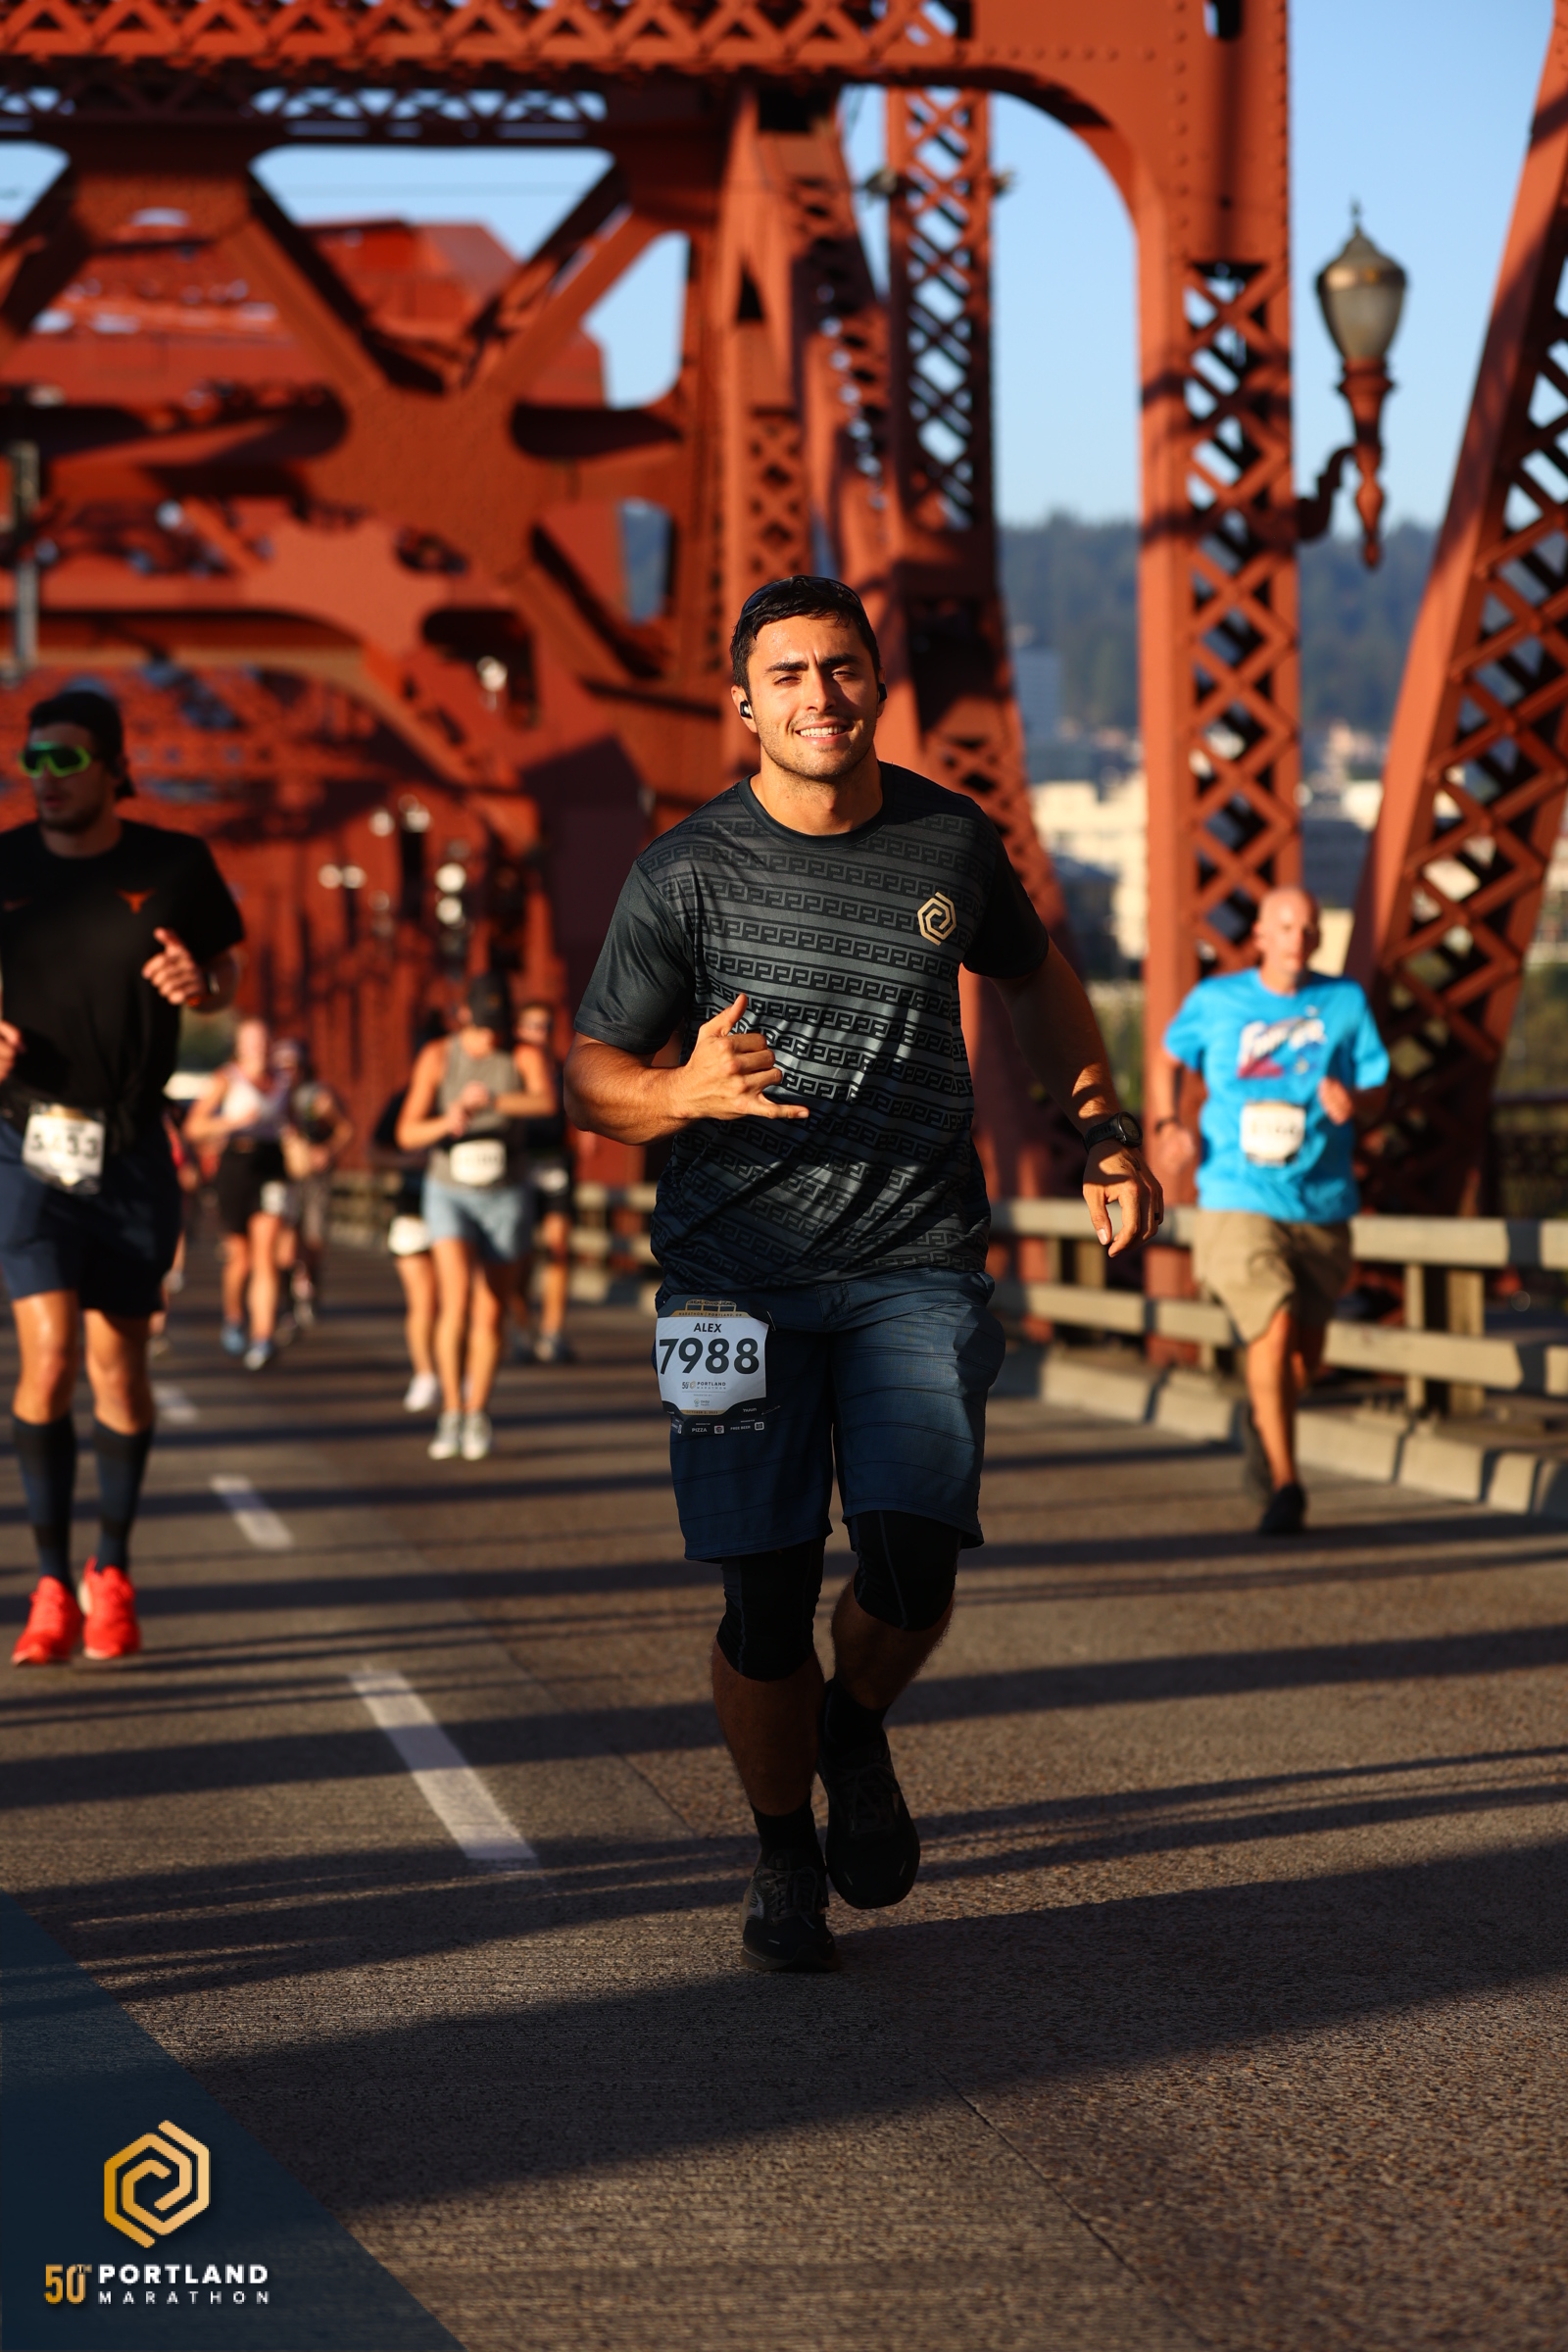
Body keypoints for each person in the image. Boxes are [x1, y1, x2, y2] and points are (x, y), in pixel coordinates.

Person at [565, 574, 1161, 1973]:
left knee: (911, 1557)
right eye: (787, 675)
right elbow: (590, 1076)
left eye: (840, 668)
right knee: (764, 1601)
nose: (818, 696)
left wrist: (1104, 1131)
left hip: (914, 1259)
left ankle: (853, 1725)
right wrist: (681, 1091)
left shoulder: (947, 840)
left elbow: (1037, 976)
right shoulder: (682, 874)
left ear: (877, 685)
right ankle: (782, 1851)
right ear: (743, 703)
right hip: (722, 1286)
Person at [2, 687, 242, 1667]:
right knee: (49, 1354)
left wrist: (202, 987)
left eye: (65, 760)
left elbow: (223, 975)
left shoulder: (173, 865)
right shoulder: (5, 864)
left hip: (134, 1146)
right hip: (26, 1138)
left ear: (111, 769)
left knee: (118, 1367)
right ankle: (49, 1585)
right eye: (34, 760)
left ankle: (113, 1569)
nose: (47, 778)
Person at [1149, 885, 1390, 1537]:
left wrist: (1355, 1102)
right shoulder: (1217, 1000)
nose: (1297, 938)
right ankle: (1287, 1484)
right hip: (1238, 1194)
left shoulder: (1344, 1002)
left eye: (1308, 927)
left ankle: (1265, 1416)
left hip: (1322, 1199)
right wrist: (1166, 1123)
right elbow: (1167, 1059)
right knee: (1274, 1324)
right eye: (1284, 926)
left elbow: (1378, 1087)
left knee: (1304, 1357)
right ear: (1259, 935)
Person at [397, 974, 555, 1462]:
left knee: (490, 1310)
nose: (490, 1037)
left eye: (498, 1026)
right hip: (450, 1189)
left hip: (504, 1191)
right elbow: (407, 1132)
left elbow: (547, 1101)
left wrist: (494, 1100)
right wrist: (449, 1119)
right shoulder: (438, 1056)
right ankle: (450, 1409)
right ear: (463, 1015)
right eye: (483, 1026)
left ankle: (477, 1411)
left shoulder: (522, 1054)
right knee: (456, 1300)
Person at [185, 1017, 291, 1371]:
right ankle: (234, 1317)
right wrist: (232, 1122)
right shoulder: (226, 1079)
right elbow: (194, 1127)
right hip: (236, 1164)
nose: (259, 1048)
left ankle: (263, 1337)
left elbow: (292, 1121)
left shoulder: (284, 1081)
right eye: (252, 1041)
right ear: (240, 1046)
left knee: (266, 1254)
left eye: (264, 1040)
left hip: (271, 1165)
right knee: (240, 1257)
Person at [273, 1038, 354, 1328]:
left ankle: (311, 1285)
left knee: (313, 1238)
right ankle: (287, 1301)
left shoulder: (315, 1097)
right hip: (282, 1176)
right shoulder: (270, 1093)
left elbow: (345, 1129)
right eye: (281, 1066)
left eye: (292, 1066)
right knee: (284, 1240)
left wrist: (326, 1151)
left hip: (313, 1178)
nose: (287, 1072)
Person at [370, 1075, 439, 1413]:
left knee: (457, 1301)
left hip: (464, 1213)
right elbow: (373, 1151)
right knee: (423, 1302)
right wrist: (407, 1161)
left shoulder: (478, 1095)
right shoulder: (404, 1100)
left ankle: (460, 1374)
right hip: (413, 1210)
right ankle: (425, 1375)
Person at [513, 998, 574, 1366]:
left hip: (555, 1163)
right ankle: (523, 1329)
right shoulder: (509, 1070)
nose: (540, 1034)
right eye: (532, 1026)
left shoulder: (563, 1069)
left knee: (558, 1247)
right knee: (519, 1257)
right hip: (519, 1165)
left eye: (546, 1027)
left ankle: (553, 1333)